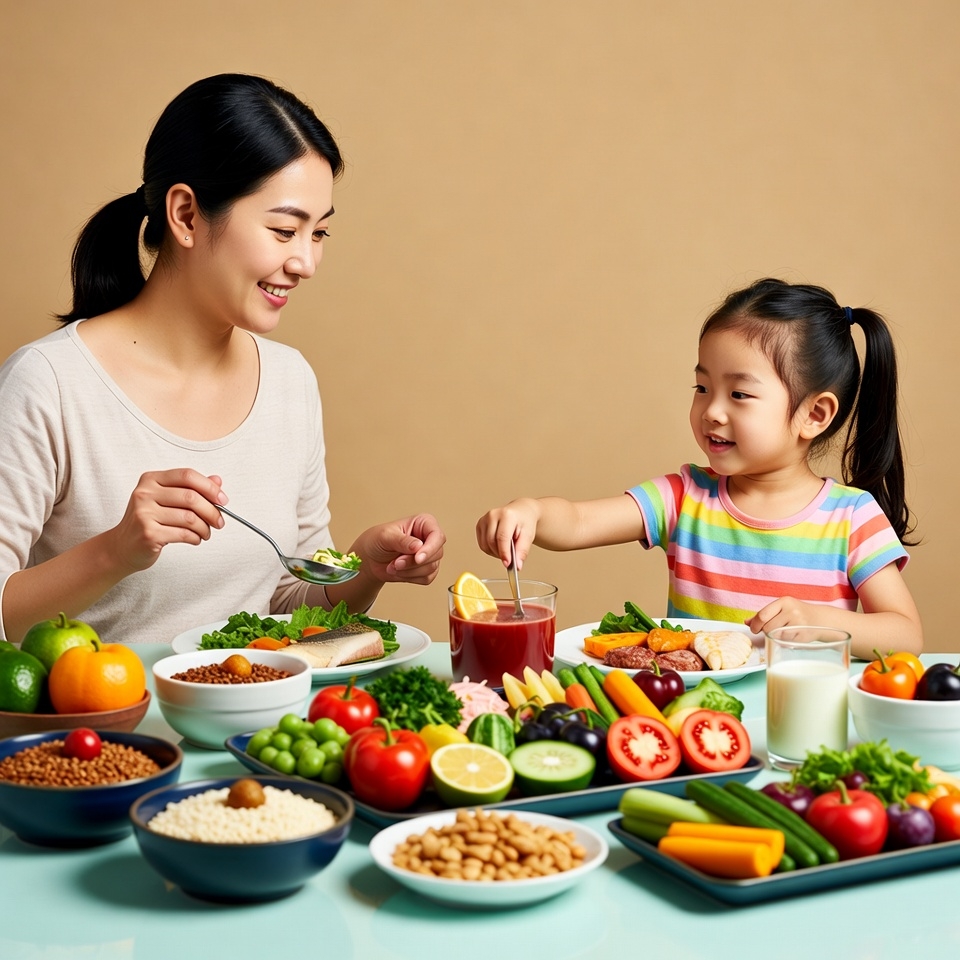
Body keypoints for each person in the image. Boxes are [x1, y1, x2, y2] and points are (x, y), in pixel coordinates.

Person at [0, 74, 444, 645]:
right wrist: (116, 550)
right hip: (114, 730)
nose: (306, 261)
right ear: (185, 215)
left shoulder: (289, 380)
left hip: (257, 728)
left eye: (320, 233)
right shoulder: (50, 384)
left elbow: (288, 604)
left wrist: (361, 569)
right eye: (285, 230)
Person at [476, 278, 922, 660]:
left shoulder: (852, 517)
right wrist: (531, 511)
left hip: (797, 723)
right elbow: (577, 522)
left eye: (740, 395)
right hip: (692, 723)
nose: (712, 411)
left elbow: (906, 636)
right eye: (703, 387)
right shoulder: (685, 496)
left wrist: (819, 622)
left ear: (815, 415)